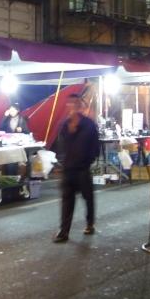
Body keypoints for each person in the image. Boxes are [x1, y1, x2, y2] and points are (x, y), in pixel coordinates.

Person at [48, 93, 100, 243]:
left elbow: (95, 147)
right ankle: (64, 231)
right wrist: (60, 164)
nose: (73, 106)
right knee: (67, 201)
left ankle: (90, 223)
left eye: (75, 103)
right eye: (70, 103)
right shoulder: (64, 125)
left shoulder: (89, 125)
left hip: (82, 169)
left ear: (80, 105)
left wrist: (88, 161)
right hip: (68, 169)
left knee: (88, 197)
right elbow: (60, 147)